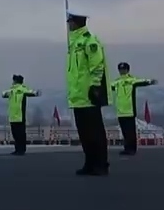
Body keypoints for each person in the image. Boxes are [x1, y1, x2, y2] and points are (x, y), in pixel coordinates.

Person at [66, 13, 109, 176]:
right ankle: (89, 163)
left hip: (89, 95)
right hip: (78, 97)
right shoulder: (74, 43)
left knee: (95, 132)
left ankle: (101, 164)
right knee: (84, 134)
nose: (69, 25)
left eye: (70, 22)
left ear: (76, 22)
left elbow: (97, 65)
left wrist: (95, 86)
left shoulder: (89, 41)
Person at [109, 63, 156, 155]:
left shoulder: (131, 80)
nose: (122, 71)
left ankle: (132, 149)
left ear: (127, 70)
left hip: (129, 110)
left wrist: (150, 81)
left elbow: (142, 81)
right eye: (120, 69)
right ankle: (127, 148)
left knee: (130, 131)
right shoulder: (116, 82)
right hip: (120, 111)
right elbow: (108, 86)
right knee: (124, 131)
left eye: (124, 69)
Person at [1, 75, 40, 155]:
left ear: (15, 81)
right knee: (19, 134)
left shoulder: (15, 90)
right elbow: (32, 92)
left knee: (17, 134)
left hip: (16, 116)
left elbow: (3, 94)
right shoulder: (15, 90)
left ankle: (20, 149)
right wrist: (37, 93)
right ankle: (20, 149)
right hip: (17, 116)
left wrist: (35, 93)